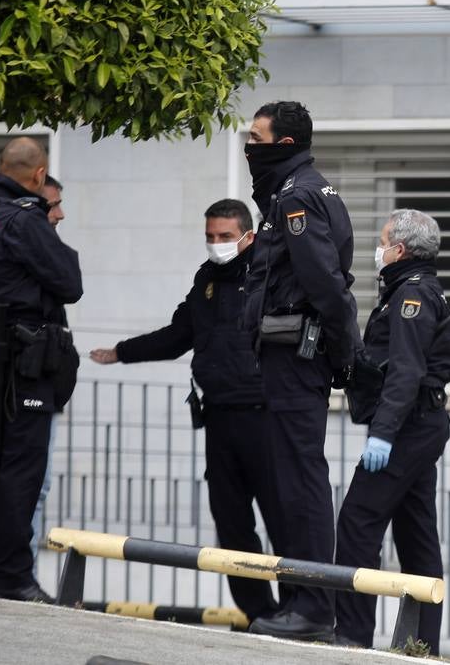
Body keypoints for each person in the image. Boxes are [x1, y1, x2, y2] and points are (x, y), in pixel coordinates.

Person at [88, 199, 281, 623]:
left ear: (247, 235)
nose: (216, 244)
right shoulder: (207, 278)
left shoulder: (271, 276)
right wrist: (122, 352)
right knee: (231, 523)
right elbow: (179, 334)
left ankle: (301, 611)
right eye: (210, 237)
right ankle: (259, 613)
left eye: (225, 237)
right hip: (219, 415)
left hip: (264, 414)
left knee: (282, 519)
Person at [240, 101, 357, 642]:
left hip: (296, 355)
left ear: (284, 144)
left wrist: (344, 352)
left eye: (256, 137)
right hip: (289, 355)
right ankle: (301, 600)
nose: (248, 144)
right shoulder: (298, 191)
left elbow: (326, 284)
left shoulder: (299, 197)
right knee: (292, 478)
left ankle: (311, 606)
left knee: (301, 481)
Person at [0, 138, 82, 602]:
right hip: (22, 360)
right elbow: (70, 283)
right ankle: (13, 576)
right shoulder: (24, 218)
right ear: (37, 174)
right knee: (20, 469)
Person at [335, 209, 450, 654]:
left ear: (400, 249)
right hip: (419, 425)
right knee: (416, 533)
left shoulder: (412, 296)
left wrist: (383, 433)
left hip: (408, 428)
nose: (378, 249)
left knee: (357, 523)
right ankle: (421, 646)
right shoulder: (411, 290)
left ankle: (351, 638)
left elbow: (405, 372)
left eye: (383, 241)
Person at [28, 175, 67, 569]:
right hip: (28, 382)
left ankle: (24, 571)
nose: (61, 214)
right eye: (53, 205)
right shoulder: (32, 250)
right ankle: (21, 572)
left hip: (47, 381)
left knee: (39, 485)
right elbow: (70, 284)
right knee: (31, 484)